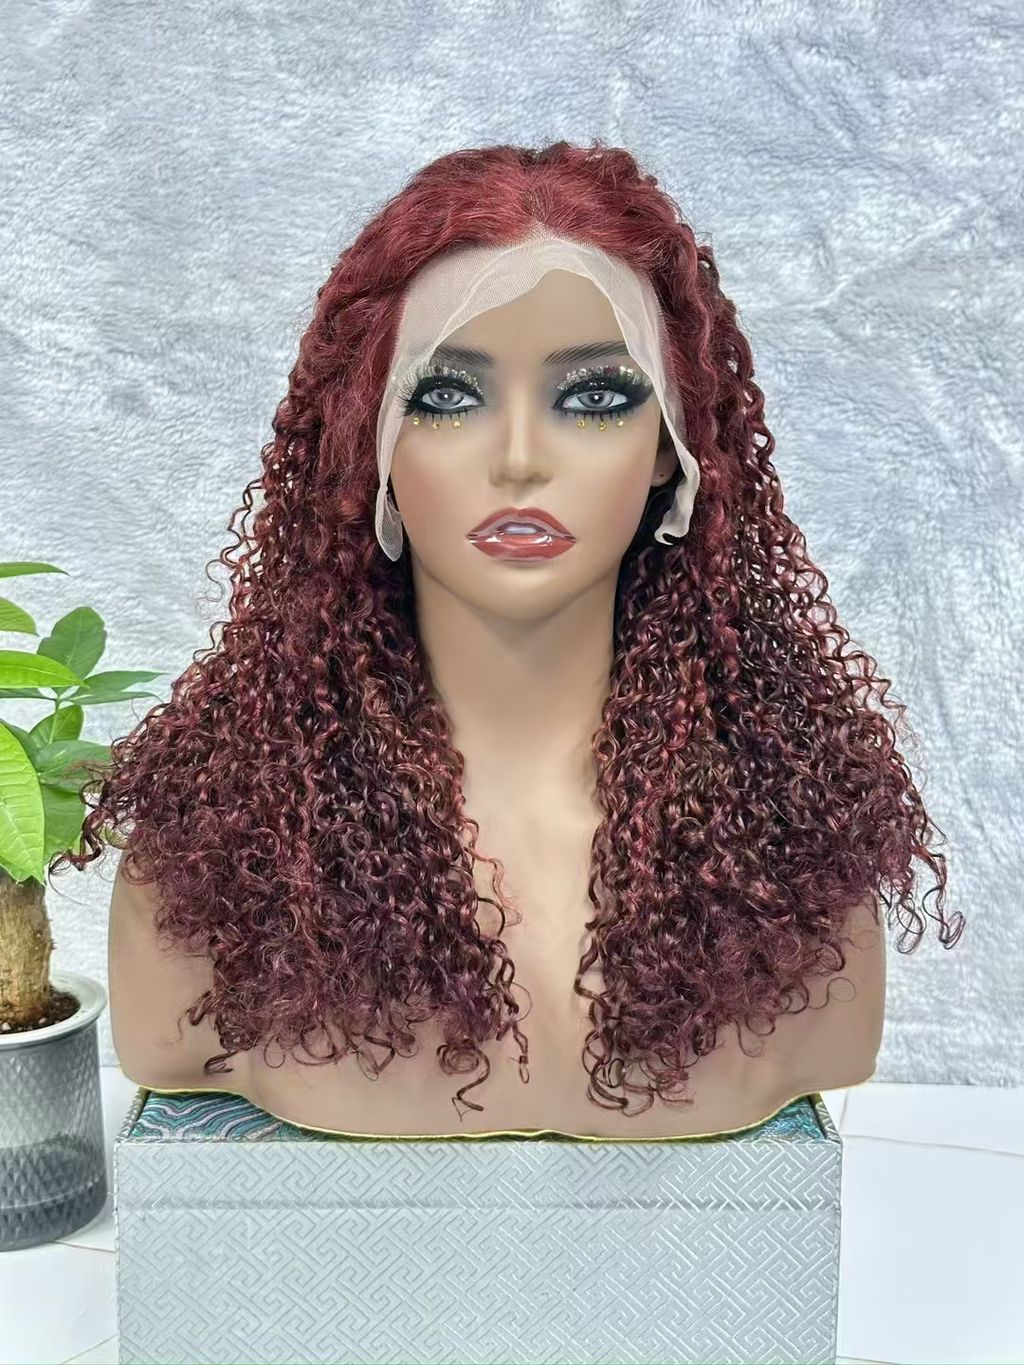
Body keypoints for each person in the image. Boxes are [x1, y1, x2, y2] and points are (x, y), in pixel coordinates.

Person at [66, 140, 964, 1140]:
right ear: (370, 444)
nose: (521, 459)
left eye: (595, 398)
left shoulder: (793, 860)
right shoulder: (219, 860)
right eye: (448, 397)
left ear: (671, 451)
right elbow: (164, 1044)